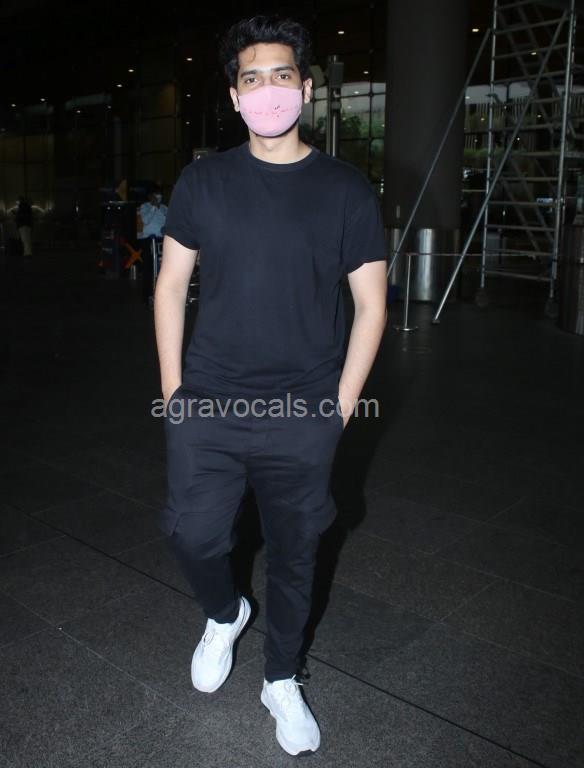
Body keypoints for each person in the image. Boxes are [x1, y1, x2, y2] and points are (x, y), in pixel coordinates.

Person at [154, 15, 387, 757]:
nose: (267, 90)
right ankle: (225, 613)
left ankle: (280, 676)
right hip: (209, 401)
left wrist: (338, 410)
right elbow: (170, 287)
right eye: (251, 78)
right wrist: (176, 395)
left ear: (306, 88)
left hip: (306, 407)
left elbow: (372, 305)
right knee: (191, 532)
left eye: (281, 75)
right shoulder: (204, 181)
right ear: (234, 95)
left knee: (296, 551)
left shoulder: (345, 190)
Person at [138, 186, 168, 301]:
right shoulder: (145, 207)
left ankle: (162, 293)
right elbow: (145, 220)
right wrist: (154, 207)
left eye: (160, 194)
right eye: (156, 194)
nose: (158, 197)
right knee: (148, 267)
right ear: (150, 196)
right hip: (148, 240)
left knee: (163, 267)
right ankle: (147, 295)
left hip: (161, 240)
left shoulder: (165, 208)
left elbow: (168, 223)